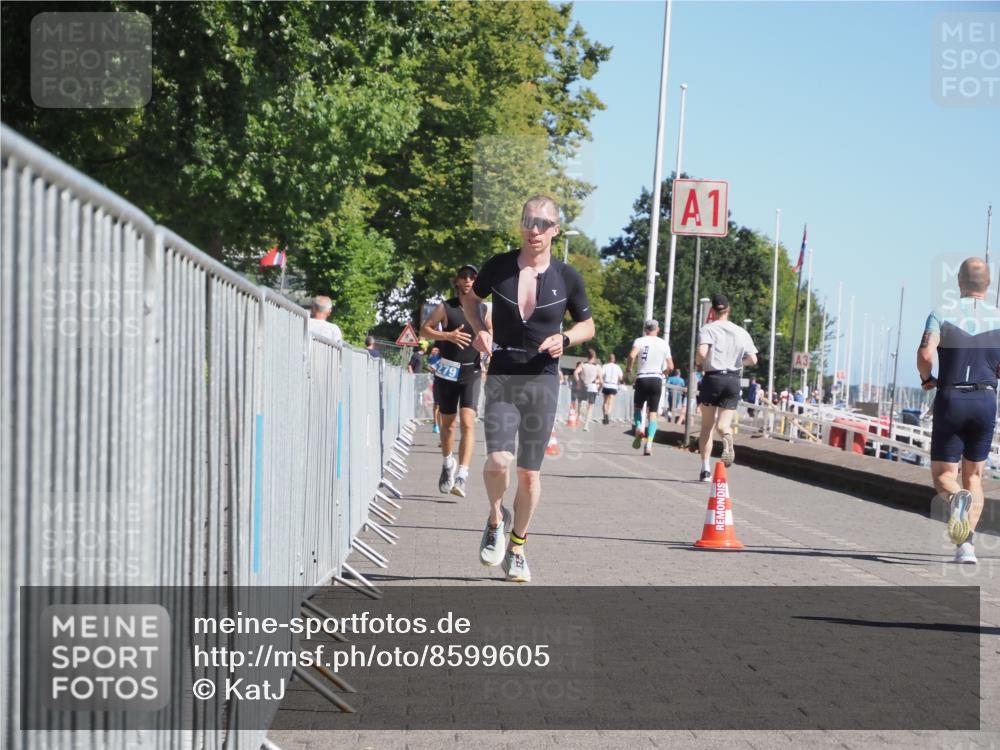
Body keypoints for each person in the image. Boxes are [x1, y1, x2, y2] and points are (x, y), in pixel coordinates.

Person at [462, 195, 594, 583]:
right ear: (520, 225)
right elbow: (470, 300)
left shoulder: (567, 276)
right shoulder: (499, 267)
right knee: (498, 461)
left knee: (530, 476)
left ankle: (517, 547)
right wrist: (480, 330)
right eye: (528, 222)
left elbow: (588, 326)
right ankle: (494, 518)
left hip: (542, 380)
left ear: (554, 230)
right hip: (503, 374)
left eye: (542, 223)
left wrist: (566, 340)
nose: (534, 230)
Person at [917, 256, 1000, 565]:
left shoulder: (940, 314)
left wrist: (927, 378)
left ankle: (955, 500)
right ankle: (966, 548)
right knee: (975, 477)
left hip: (952, 398)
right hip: (986, 400)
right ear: (988, 284)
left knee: (944, 475)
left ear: (959, 283)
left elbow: (926, 353)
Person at [419, 265, 491, 497]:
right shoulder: (446, 307)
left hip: (471, 371)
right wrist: (447, 335)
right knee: (449, 424)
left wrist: (487, 347)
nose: (468, 280)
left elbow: (492, 335)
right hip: (447, 372)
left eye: (472, 277)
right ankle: (448, 463)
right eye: (464, 277)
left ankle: (462, 474)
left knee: (468, 422)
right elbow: (424, 330)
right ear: (457, 282)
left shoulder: (483, 309)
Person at [695, 293, 757, 481]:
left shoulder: (708, 329)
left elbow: (702, 352)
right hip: (733, 379)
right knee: (723, 424)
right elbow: (753, 359)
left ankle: (705, 469)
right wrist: (739, 362)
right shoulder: (741, 332)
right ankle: (727, 436)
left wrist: (698, 362)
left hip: (713, 378)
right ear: (728, 310)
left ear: (712, 311)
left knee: (706, 427)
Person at [625, 319, 673, 456]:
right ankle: (649, 444)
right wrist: (663, 374)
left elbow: (631, 355)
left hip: (642, 378)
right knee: (653, 413)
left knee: (638, 408)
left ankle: (639, 427)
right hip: (656, 379)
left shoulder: (639, 341)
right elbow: (671, 366)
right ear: (658, 329)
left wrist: (629, 369)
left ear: (645, 329)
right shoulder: (663, 344)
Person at [573, 349, 602, 431]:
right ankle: (586, 425)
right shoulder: (597, 366)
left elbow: (575, 372)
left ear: (587, 356)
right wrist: (599, 389)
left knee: (581, 402)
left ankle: (582, 407)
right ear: (594, 357)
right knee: (591, 407)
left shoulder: (583, 365)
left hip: (584, 386)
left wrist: (579, 382)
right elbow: (601, 380)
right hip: (593, 387)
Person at [600, 353, 624, 424]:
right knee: (610, 402)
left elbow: (601, 375)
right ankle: (608, 414)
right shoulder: (618, 367)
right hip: (613, 386)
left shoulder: (605, 366)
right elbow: (621, 377)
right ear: (614, 359)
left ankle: (604, 415)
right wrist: (621, 382)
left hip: (606, 385)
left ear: (608, 359)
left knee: (605, 402)